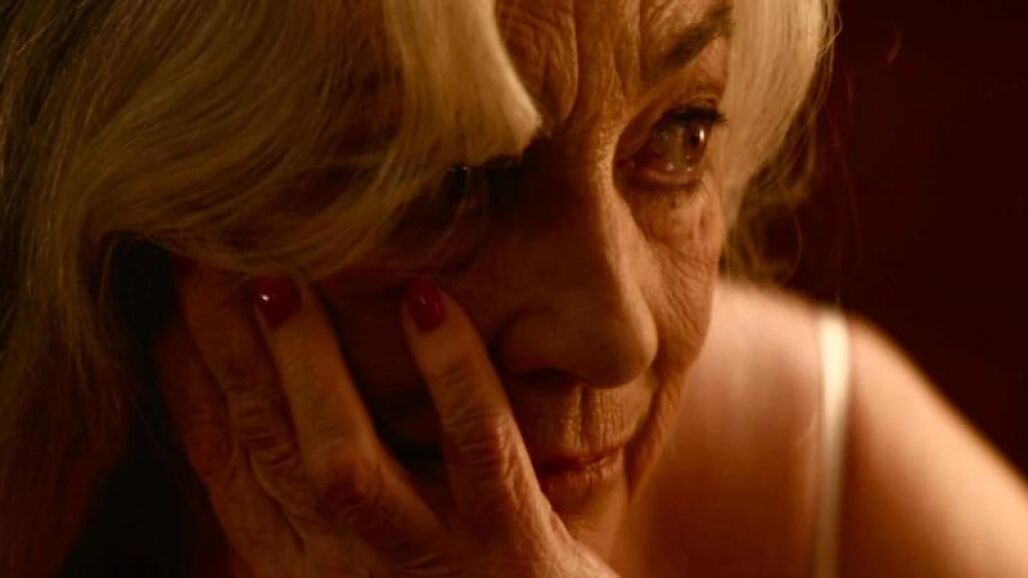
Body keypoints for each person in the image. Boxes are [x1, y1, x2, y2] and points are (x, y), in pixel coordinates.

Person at [1, 0, 1026, 576]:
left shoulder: (810, 454)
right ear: (130, 203)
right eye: (443, 179)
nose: (617, 336)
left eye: (679, 133)